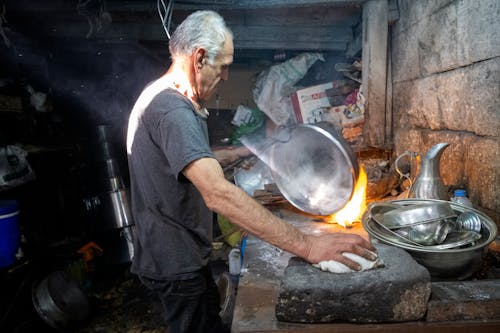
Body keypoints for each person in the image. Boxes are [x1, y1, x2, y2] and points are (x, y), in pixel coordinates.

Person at [126, 10, 377, 333]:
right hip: (176, 263)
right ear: (199, 58)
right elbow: (217, 193)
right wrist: (309, 246)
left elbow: (193, 160)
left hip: (175, 255)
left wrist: (254, 148)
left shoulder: (160, 97)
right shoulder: (173, 109)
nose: (227, 77)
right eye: (224, 66)